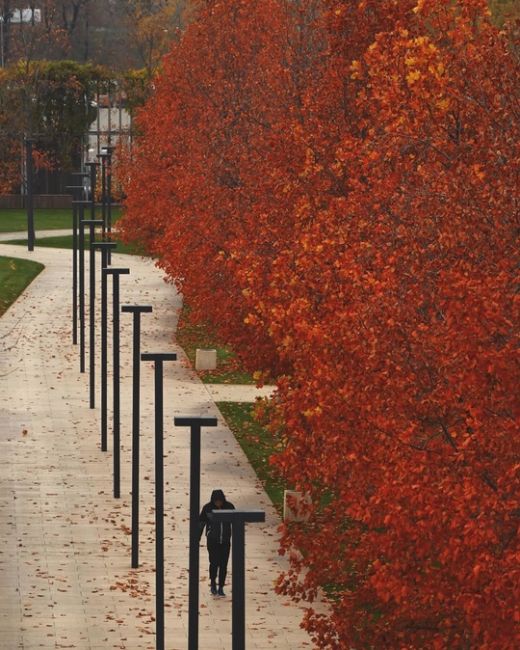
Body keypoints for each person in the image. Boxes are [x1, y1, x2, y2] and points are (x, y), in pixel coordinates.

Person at [199, 489, 235, 596]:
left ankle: (221, 586)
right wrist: (197, 537)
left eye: (220, 501)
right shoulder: (207, 508)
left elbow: (235, 521)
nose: (218, 503)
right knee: (214, 563)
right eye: (216, 501)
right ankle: (213, 583)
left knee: (223, 564)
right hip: (212, 540)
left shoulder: (229, 507)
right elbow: (201, 523)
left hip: (225, 540)